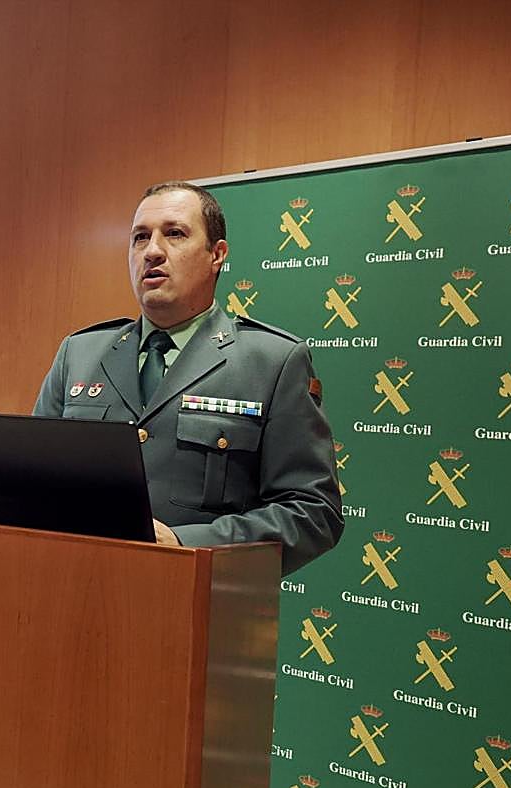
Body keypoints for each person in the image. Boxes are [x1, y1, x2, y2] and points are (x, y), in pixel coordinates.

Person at [33, 181, 342, 575]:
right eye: (140, 238)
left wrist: (188, 544)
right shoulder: (79, 354)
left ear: (217, 255)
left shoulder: (273, 361)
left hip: (201, 609)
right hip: (75, 597)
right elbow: (35, 486)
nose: (152, 251)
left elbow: (313, 513)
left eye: (174, 234)